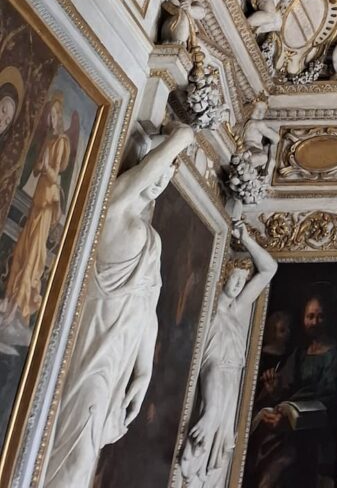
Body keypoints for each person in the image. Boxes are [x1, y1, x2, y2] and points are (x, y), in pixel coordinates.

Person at [46, 122, 196, 487]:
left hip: (121, 356)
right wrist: (182, 139)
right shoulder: (113, 209)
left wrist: (143, 372)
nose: (162, 180)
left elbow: (149, 309)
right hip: (92, 343)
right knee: (75, 446)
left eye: (169, 175)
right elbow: (143, 176)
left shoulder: (153, 240)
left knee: (89, 444)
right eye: (161, 168)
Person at [180, 222, 278, 487]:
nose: (238, 285)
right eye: (234, 279)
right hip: (214, 366)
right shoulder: (210, 309)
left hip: (232, 374)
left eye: (242, 281)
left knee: (220, 442)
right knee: (210, 412)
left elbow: (269, 269)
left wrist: (247, 240)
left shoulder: (238, 309)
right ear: (223, 277)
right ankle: (194, 459)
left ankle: (199, 475)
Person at [244, 293, 337, 487]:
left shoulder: (335, 355)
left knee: (281, 465)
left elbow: (329, 400)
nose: (315, 321)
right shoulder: (299, 353)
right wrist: (274, 391)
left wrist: (291, 420)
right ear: (303, 319)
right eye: (310, 316)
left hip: (315, 430)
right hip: (288, 424)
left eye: (320, 316)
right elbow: (287, 390)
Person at [2, 95, 70, 328]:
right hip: (37, 202)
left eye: (53, 116)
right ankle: (9, 299)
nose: (51, 120)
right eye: (49, 116)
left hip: (47, 204)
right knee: (22, 249)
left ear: (59, 117)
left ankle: (17, 309)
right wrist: (39, 164)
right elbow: (37, 170)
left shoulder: (60, 141)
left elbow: (55, 175)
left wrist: (47, 166)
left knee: (32, 256)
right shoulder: (49, 140)